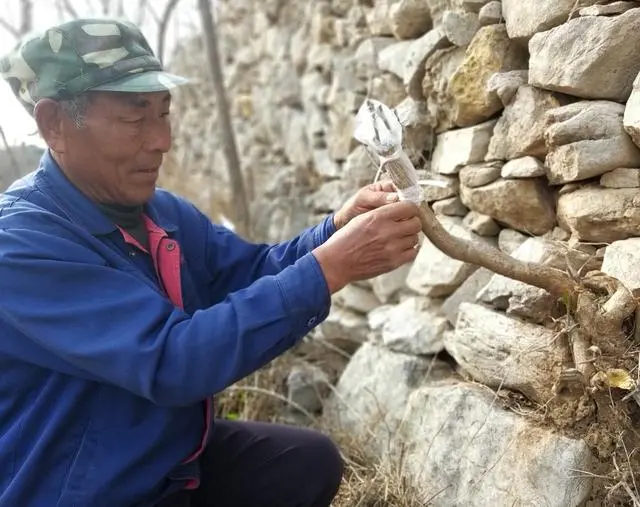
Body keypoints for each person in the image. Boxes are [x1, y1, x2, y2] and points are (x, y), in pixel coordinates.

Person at [0, 18, 422, 507]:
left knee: (306, 464)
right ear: (54, 125)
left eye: (164, 113)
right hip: (84, 491)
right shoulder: (21, 246)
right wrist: (331, 267)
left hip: (160, 462)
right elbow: (171, 360)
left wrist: (334, 230)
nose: (161, 140)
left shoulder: (160, 213)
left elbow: (250, 272)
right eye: (135, 119)